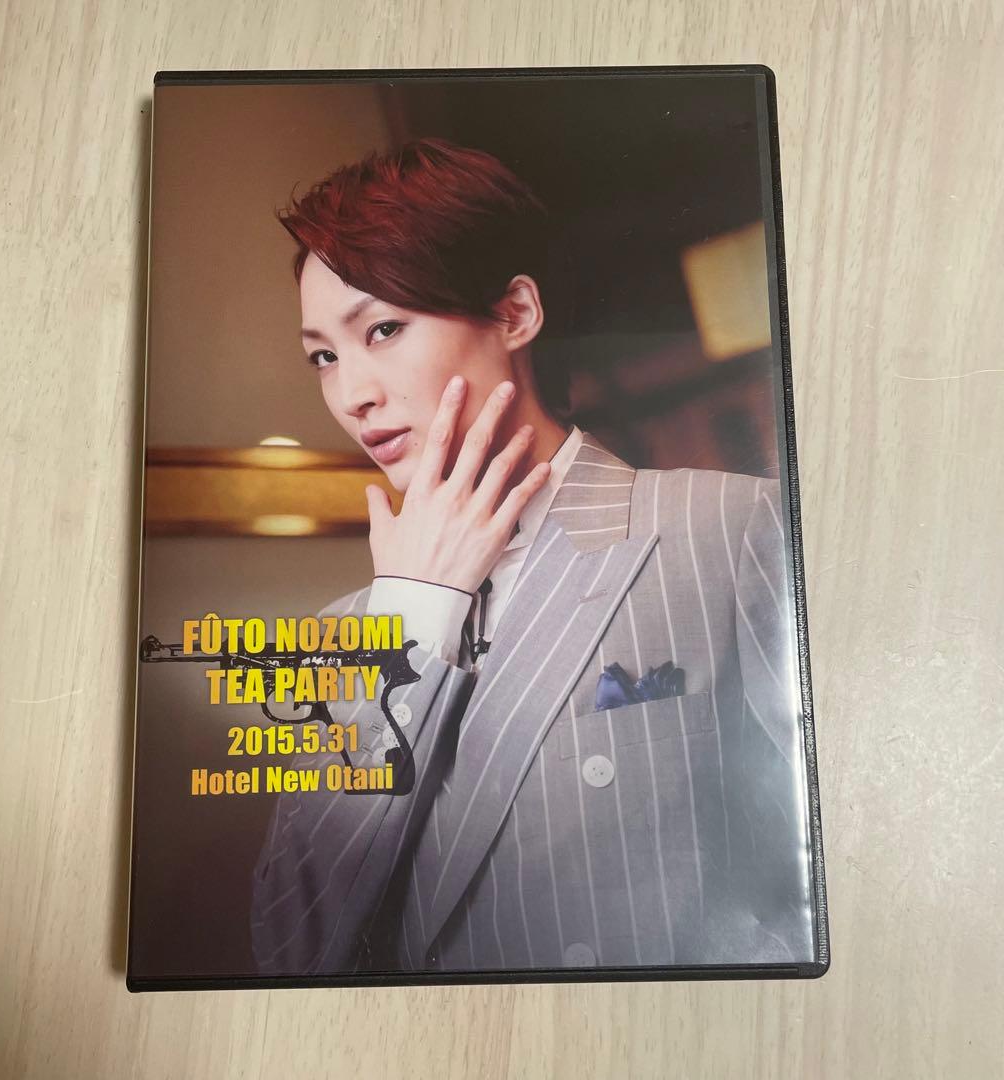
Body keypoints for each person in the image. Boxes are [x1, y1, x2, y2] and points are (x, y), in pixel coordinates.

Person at [250, 138, 815, 975]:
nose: (352, 395)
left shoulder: (730, 529)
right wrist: (413, 614)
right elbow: (288, 949)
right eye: (324, 357)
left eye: (384, 329)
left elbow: (831, 869)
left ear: (514, 313)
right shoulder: (348, 635)